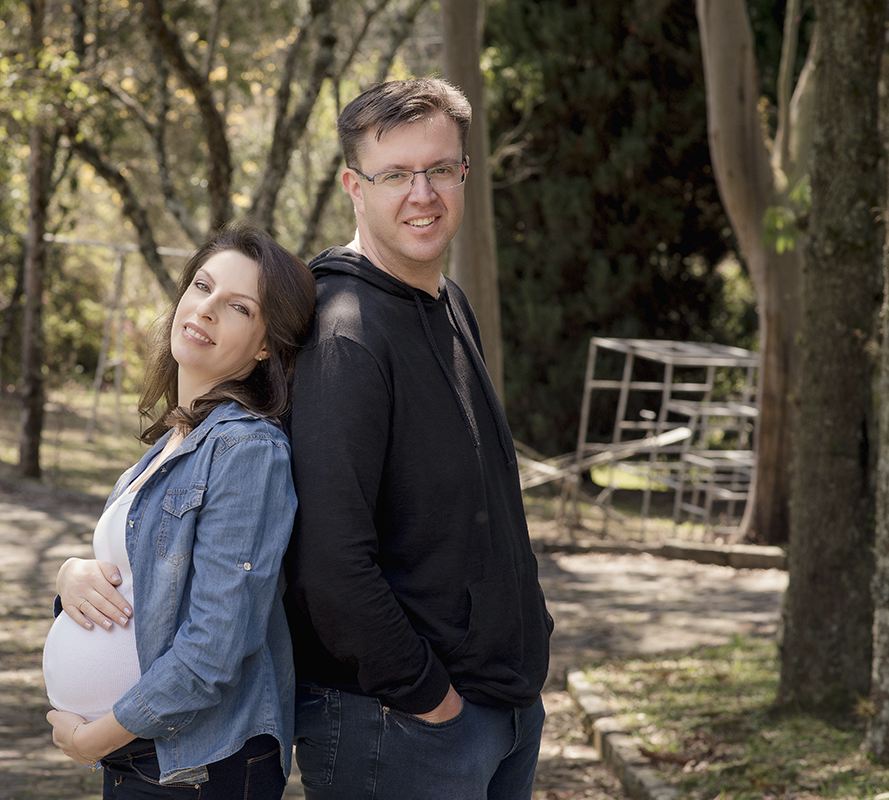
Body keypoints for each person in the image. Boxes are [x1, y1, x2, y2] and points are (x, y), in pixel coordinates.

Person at [283, 77, 554, 799]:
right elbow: (328, 563)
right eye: (396, 174)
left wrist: (531, 631)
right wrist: (429, 698)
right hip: (400, 727)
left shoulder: (448, 302)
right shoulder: (343, 331)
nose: (422, 194)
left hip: (501, 710)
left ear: (464, 173)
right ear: (354, 186)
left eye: (439, 169)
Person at [44, 222, 315, 799]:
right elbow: (141, 584)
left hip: (198, 768)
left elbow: (215, 647)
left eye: (239, 307)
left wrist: (96, 738)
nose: (207, 309)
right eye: (202, 285)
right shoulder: (176, 441)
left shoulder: (247, 450)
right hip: (148, 759)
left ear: (266, 345)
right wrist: (70, 578)